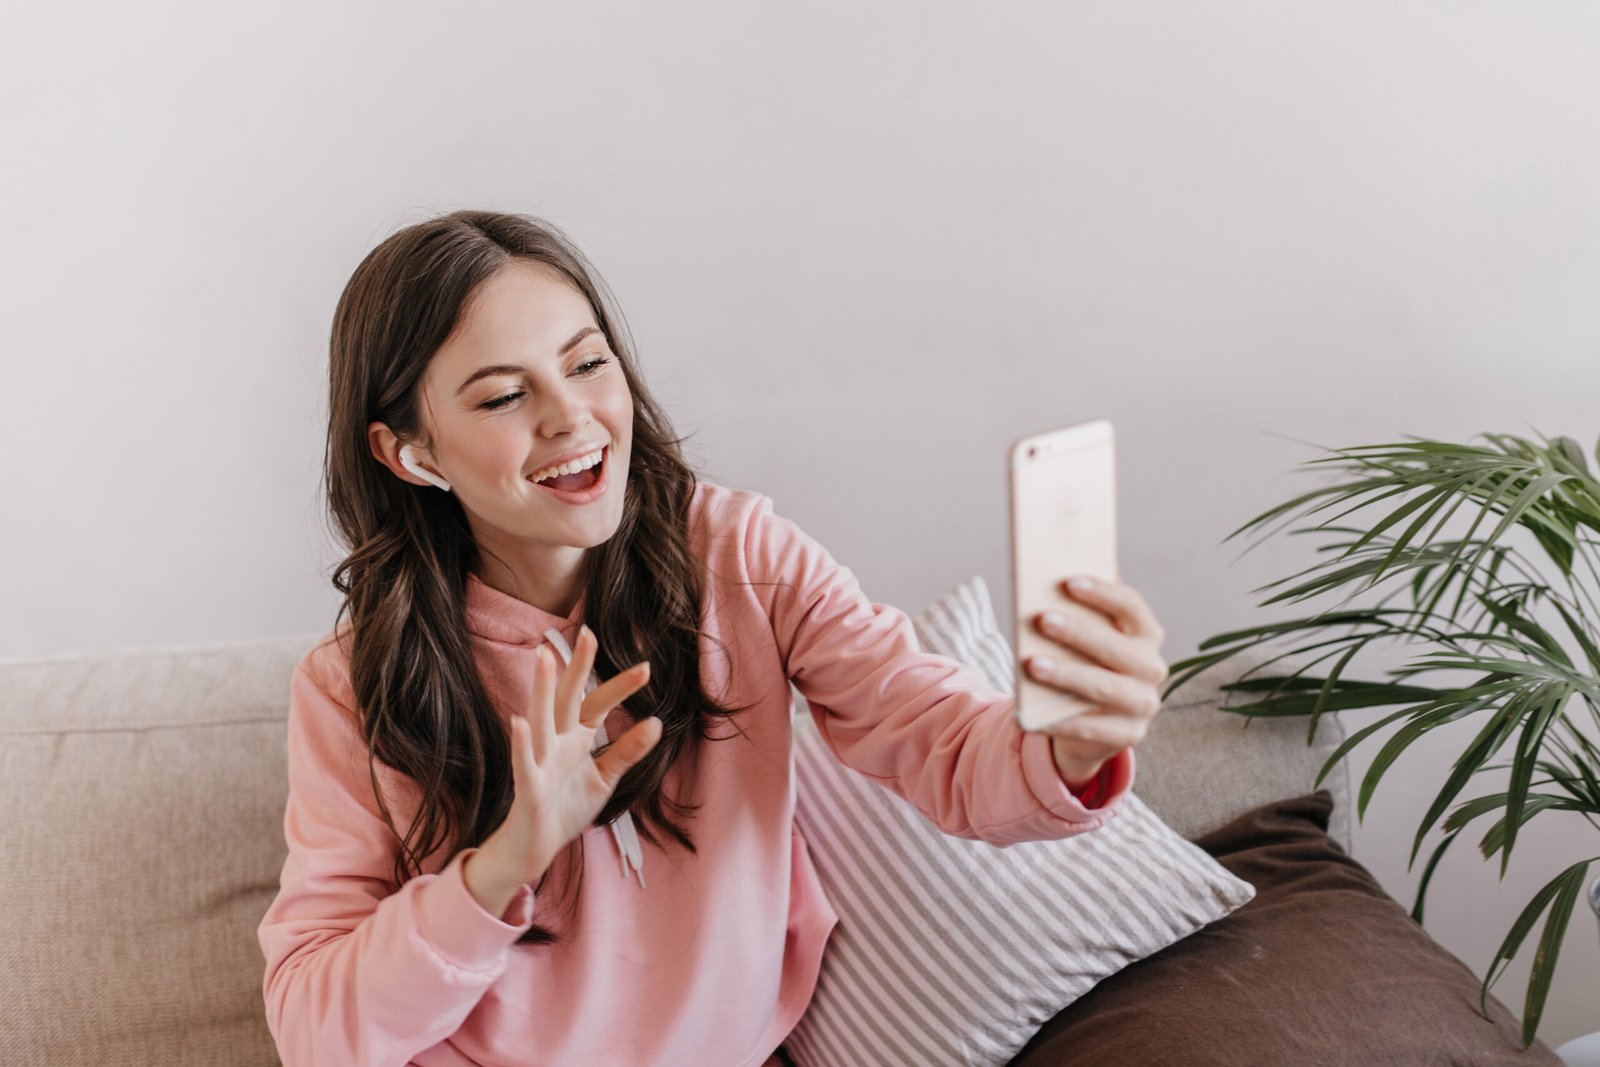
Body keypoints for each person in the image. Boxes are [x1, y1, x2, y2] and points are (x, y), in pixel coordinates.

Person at [256, 210, 1169, 1067]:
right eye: (502, 396)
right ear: (411, 454)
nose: (570, 415)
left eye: (586, 364)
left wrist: (1070, 745)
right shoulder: (349, 688)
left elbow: (932, 731)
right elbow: (314, 1027)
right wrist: (506, 857)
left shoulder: (739, 556)